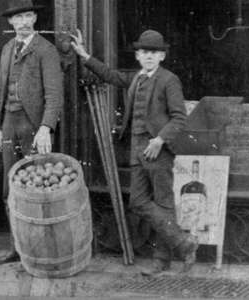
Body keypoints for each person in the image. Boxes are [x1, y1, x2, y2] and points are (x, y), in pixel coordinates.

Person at [69, 28, 198, 276]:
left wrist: (160, 139)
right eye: (144, 52)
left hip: (158, 150)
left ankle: (161, 260)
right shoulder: (137, 78)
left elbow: (179, 118)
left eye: (154, 53)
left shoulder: (169, 80)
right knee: (138, 201)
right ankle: (183, 242)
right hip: (137, 149)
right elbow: (109, 75)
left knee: (163, 203)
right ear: (138, 56)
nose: (148, 56)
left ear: (162, 57)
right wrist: (84, 55)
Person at [0, 0, 63, 265]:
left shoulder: (46, 50)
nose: (22, 22)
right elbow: (0, 89)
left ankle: (39, 252)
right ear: (11, 21)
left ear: (34, 18)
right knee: (11, 186)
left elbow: (54, 95)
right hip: (9, 124)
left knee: (37, 185)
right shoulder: (8, 48)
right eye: (16, 17)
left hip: (33, 126)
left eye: (26, 16)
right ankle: (16, 248)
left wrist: (45, 128)